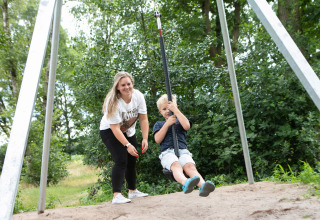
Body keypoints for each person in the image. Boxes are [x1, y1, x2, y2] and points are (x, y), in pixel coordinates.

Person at [100, 71, 149, 204]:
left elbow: (143, 119)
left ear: (132, 84)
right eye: (123, 85)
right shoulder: (113, 102)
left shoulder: (138, 96)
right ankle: (116, 195)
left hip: (128, 130)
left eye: (129, 84)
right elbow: (115, 128)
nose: (126, 87)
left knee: (132, 159)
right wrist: (127, 145)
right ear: (117, 87)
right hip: (109, 131)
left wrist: (145, 138)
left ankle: (132, 191)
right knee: (121, 159)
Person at [153, 94, 215, 197]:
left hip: (183, 151)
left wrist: (176, 111)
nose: (167, 111)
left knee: (190, 166)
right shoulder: (159, 124)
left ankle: (203, 186)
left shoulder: (180, 121)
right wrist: (167, 124)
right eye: (164, 109)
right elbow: (157, 139)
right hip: (167, 153)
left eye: (169, 108)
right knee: (175, 164)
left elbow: (187, 126)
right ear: (160, 112)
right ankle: (185, 182)